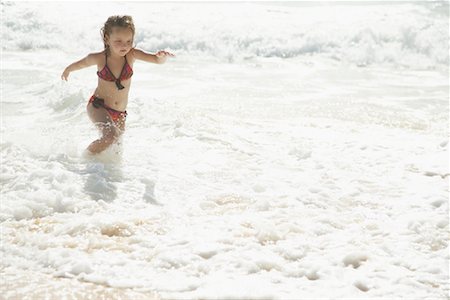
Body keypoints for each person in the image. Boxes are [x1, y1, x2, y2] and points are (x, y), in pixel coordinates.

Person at [61, 15, 175, 154]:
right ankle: (85, 158)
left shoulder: (131, 55)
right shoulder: (100, 58)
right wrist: (68, 70)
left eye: (129, 41)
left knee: (116, 149)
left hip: (120, 113)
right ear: (107, 39)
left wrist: (161, 57)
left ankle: (104, 171)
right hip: (99, 106)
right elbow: (82, 63)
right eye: (119, 41)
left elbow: (156, 60)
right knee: (110, 137)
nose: (125, 45)